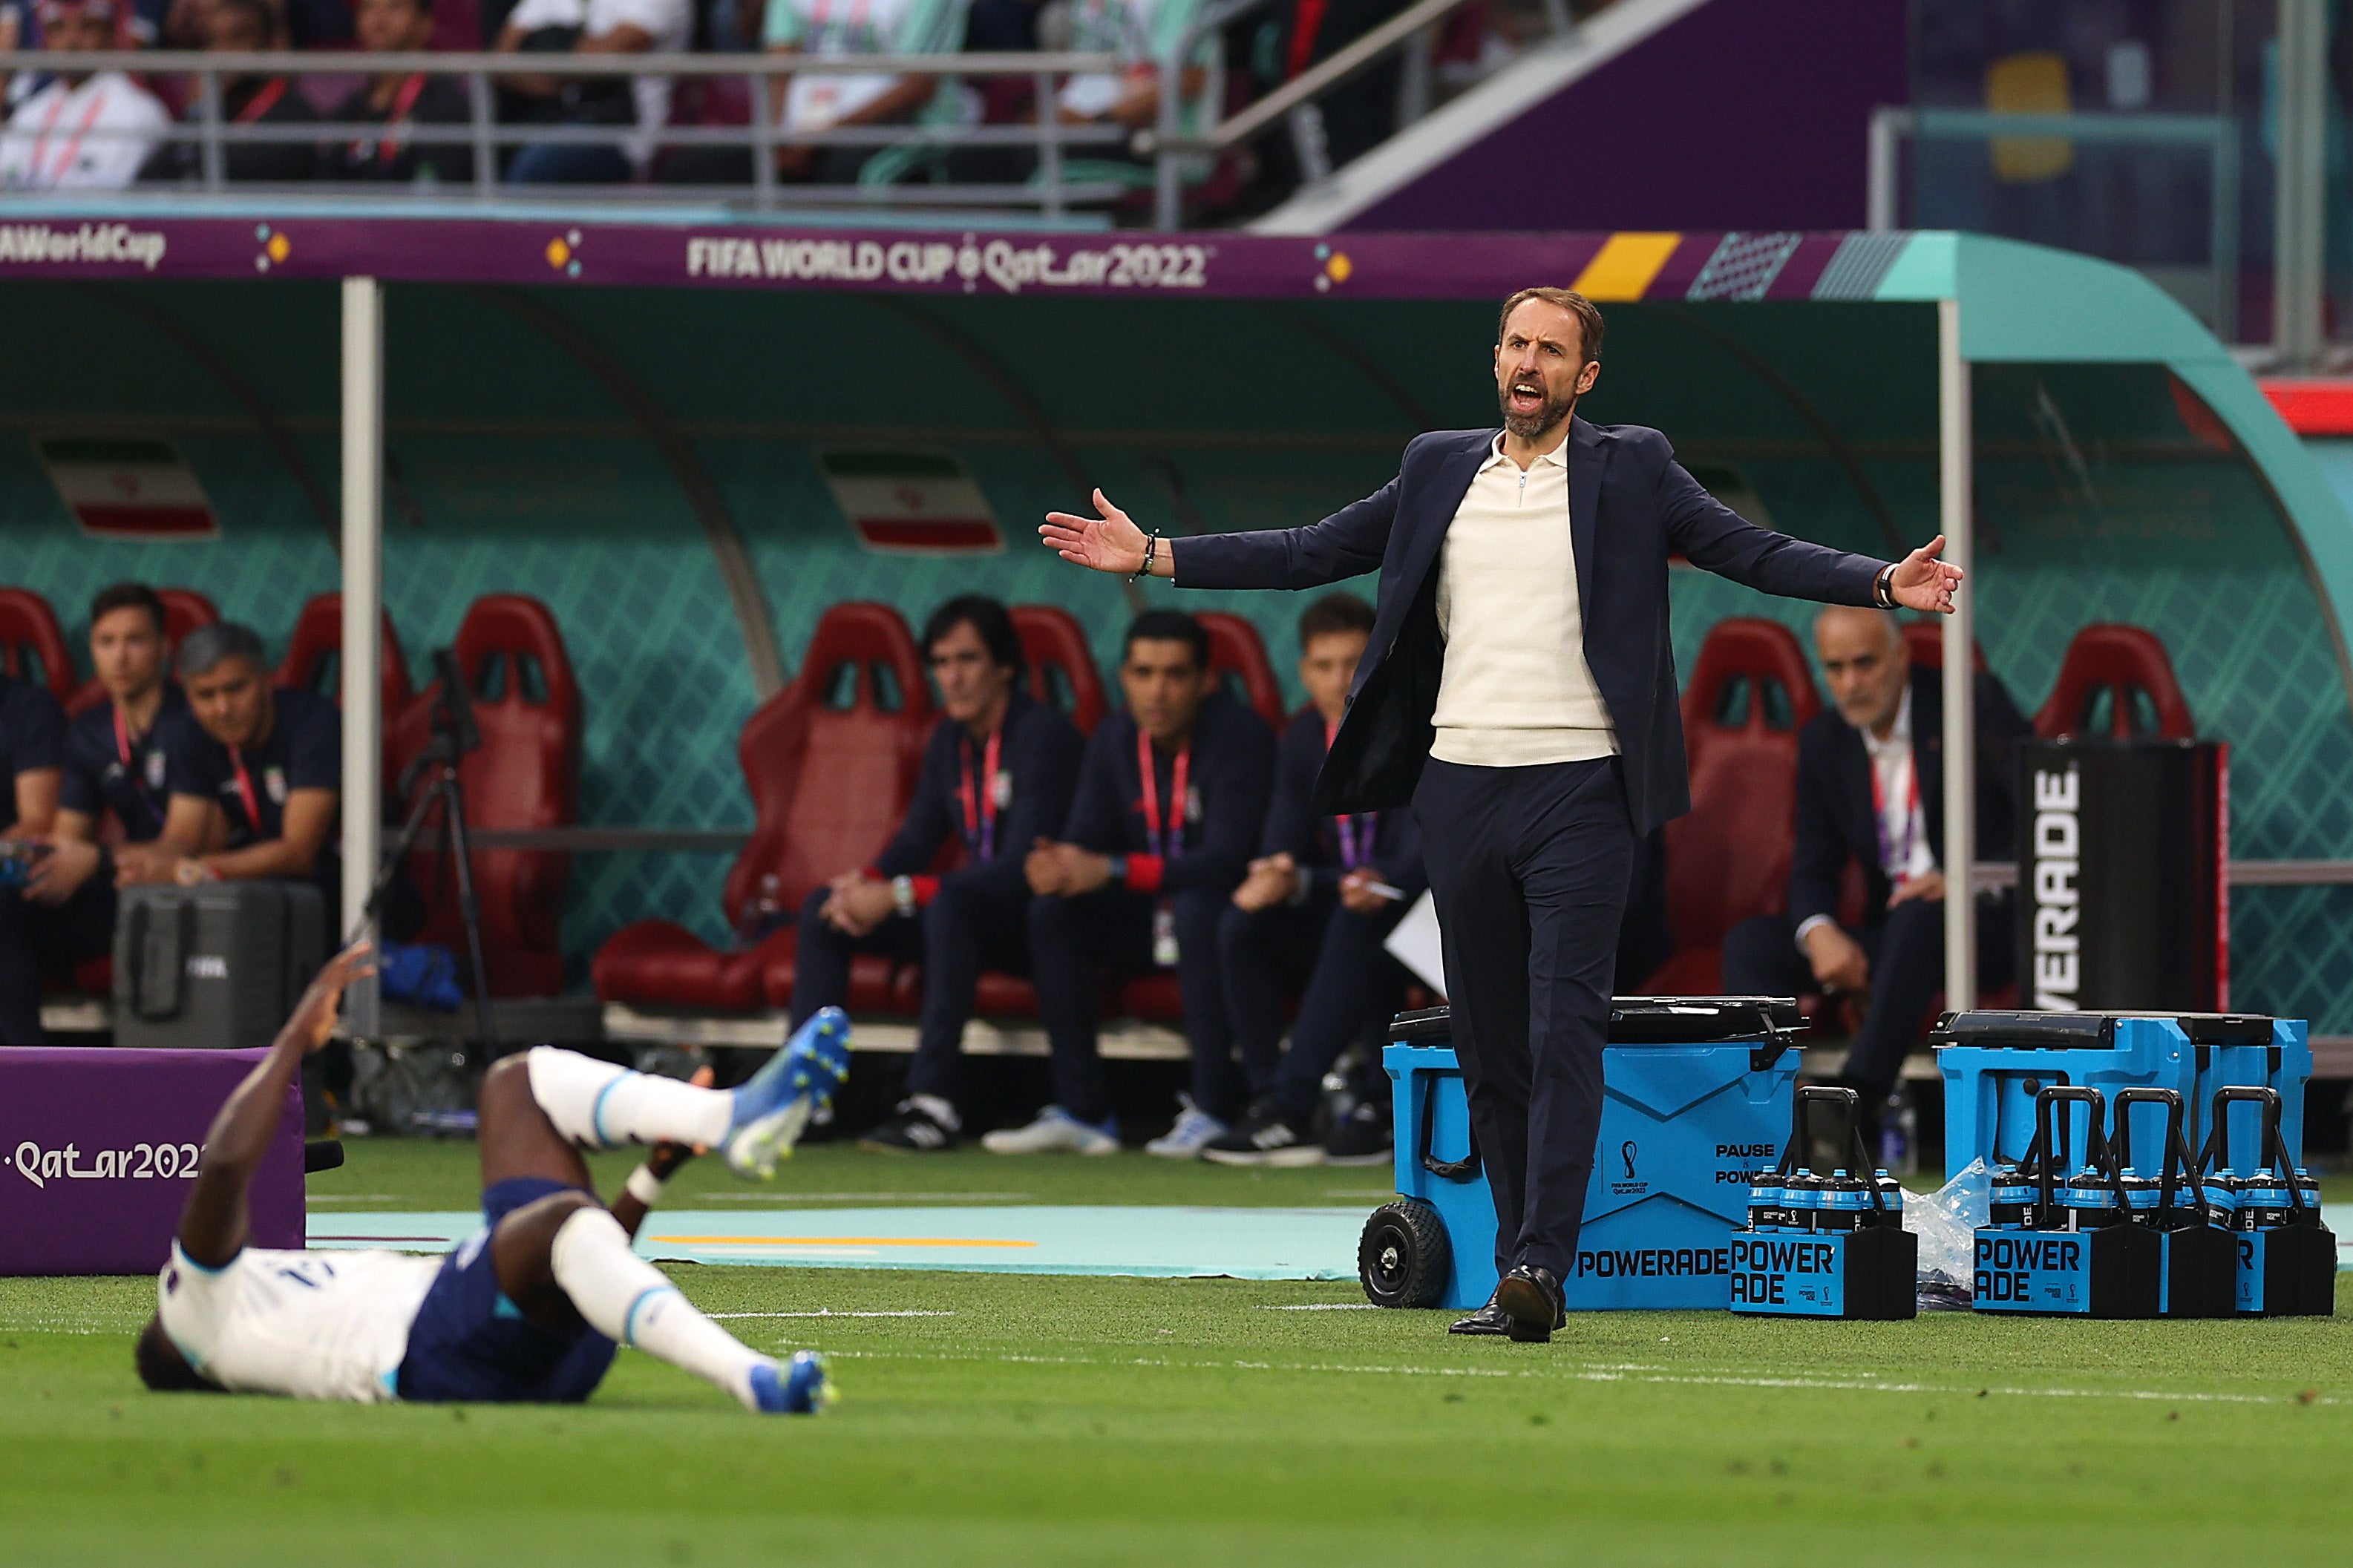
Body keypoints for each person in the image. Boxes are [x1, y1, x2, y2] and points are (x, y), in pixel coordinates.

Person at [1039, 286, 1962, 1339]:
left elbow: (1749, 551)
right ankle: (1516, 1261)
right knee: (1488, 1043)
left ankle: (1538, 1267)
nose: (1528, 364)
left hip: (1580, 788)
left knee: (1563, 1021)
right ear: (1495, 361)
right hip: (1459, 787)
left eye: (1551, 351)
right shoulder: (1438, 464)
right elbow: (1309, 551)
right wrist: (1155, 555)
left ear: (1586, 378)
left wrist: (1883, 582)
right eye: (1515, 345)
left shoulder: (1633, 465)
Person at [135, 942, 851, 1413]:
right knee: (559, 1222)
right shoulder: (194, 1310)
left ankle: (726, 1115)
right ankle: (750, 1378)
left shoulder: (257, 1304)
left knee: (515, 1086)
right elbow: (225, 1166)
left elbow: (581, 1258)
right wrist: (294, 1038)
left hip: (513, 1338)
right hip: (436, 1354)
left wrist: (652, 1176)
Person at [781, 596, 1082, 1152]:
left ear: (1005, 666)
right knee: (825, 908)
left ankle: (932, 1103)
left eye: (967, 659)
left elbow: (1020, 868)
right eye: (941, 663)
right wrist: (864, 882)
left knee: (949, 904)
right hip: (962, 917)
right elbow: (917, 838)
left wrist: (895, 894)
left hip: (1031, 922)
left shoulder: (1046, 736)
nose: (954, 677)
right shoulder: (947, 740)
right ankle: (805, 1099)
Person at [1720, 606, 2028, 1129]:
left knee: (1923, 915)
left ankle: (1854, 1106)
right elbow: (1813, 862)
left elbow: (2044, 818)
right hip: (1900, 934)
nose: (1851, 683)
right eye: (1835, 668)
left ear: (1902, 654)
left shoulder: (1970, 705)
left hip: (1985, 926)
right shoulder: (1825, 741)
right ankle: (1757, 1106)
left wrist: (1965, 879)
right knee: (1752, 942)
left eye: (1865, 663)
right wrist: (1819, 932)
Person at [995, 609, 1274, 1158]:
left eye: (1174, 674)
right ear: (1124, 677)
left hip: (1215, 913)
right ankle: (1084, 1112)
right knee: (1051, 913)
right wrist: (1058, 865)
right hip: (1142, 917)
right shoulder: (1115, 735)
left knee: (1198, 907)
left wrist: (1116, 869)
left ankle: (1213, 1108)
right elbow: (1084, 839)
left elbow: (1225, 860)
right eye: (1144, 673)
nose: (1158, 691)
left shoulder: (1240, 734)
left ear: (1204, 681)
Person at [1204, 591, 1422, 1167]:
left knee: (1362, 916)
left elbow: (1424, 856)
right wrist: (1275, 869)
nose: (1339, 679)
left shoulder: (1419, 727)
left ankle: (1312, 1103)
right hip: (1341, 897)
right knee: (1240, 924)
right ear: (1303, 672)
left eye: (1353, 662)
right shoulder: (1303, 738)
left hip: (1419, 908)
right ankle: (1267, 1101)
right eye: (1323, 666)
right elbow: (1283, 834)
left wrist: (1353, 880)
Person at [0, 585, 188, 1045]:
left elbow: (188, 845)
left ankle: (25, 1076)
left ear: (165, 648)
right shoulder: (91, 731)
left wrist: (97, 860)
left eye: (135, 641)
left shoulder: (194, 720)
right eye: (106, 643)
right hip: (120, 887)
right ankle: (19, 1069)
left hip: (187, 888)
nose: (119, 657)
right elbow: (66, 841)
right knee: (6, 907)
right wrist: (45, 866)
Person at [122, 623, 341, 911]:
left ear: (267, 679)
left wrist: (192, 871)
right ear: (189, 697)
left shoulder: (315, 724)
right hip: (259, 897)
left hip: (339, 892)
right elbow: (183, 836)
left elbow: (298, 853)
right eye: (206, 695)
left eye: (236, 689)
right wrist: (143, 866)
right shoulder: (193, 730)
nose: (223, 708)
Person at [756, 0, 972, 188]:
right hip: (804, 130)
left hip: (907, 123)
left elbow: (919, 86)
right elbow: (779, 61)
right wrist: (780, 135)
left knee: (846, 169)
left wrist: (821, 138)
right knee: (748, 162)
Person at [496, 0, 691, 184]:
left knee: (535, 165)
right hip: (560, 116)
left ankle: (516, 222)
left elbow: (597, 61)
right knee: (495, 146)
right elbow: (502, 59)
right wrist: (572, 60)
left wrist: (549, 48)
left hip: (624, 137)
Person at [142, 0, 321, 184]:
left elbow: (244, 178)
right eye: (214, 41)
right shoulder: (212, 111)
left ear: (269, 45)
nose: (225, 54)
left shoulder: (293, 114)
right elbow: (151, 178)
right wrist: (198, 113)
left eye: (238, 38)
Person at [0, 0, 169, 191]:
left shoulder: (136, 110)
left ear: (110, 35)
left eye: (87, 27)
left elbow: (102, 195)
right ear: (45, 40)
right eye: (58, 28)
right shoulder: (32, 111)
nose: (72, 42)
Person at [321, 0, 477, 185]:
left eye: (395, 7)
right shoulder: (351, 108)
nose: (379, 19)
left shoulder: (446, 104)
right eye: (368, 8)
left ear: (425, 23)